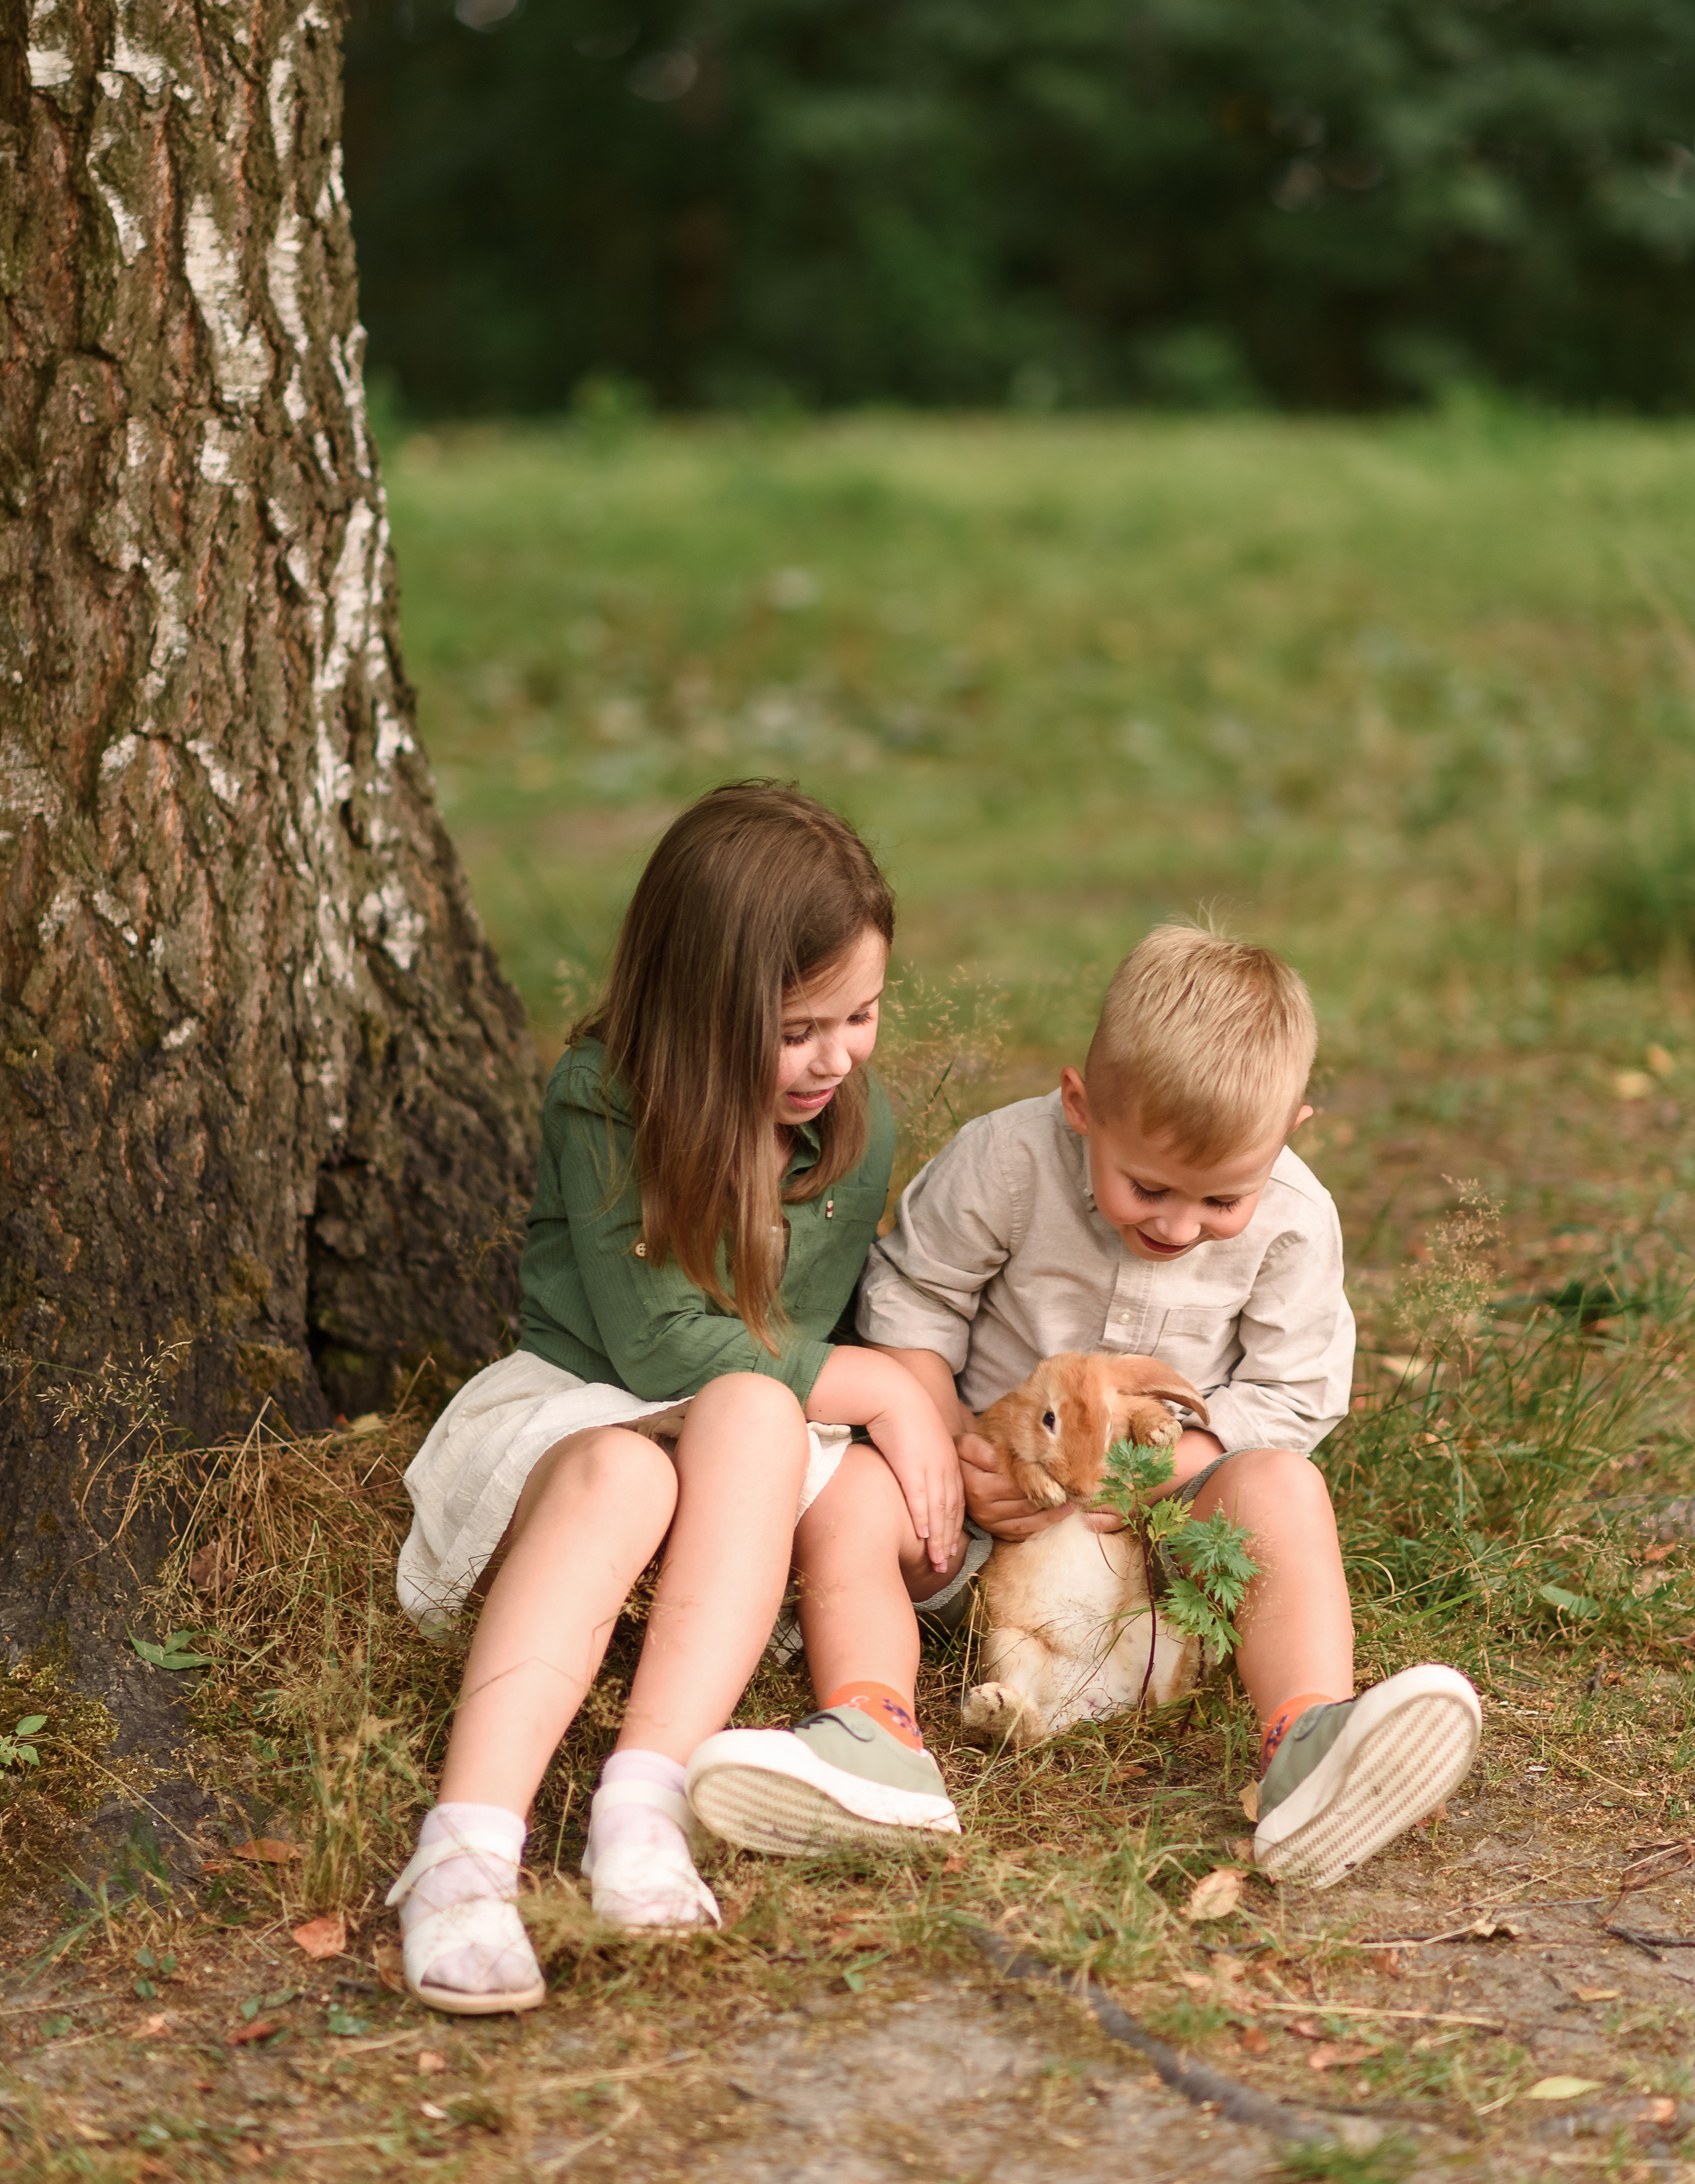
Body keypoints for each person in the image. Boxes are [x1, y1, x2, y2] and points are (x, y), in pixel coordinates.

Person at [387, 783, 970, 2016]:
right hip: (580, 1402)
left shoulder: (857, 1134)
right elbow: (654, 1347)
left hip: (750, 1430)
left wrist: (912, 1408)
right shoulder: (606, 1098)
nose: (836, 1057)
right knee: (629, 1469)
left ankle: (643, 1801)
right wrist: (878, 1387)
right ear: (697, 1008)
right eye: (798, 1026)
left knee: (765, 1415)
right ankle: (466, 1848)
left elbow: (783, 1353)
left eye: (860, 1014)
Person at [851, 924, 1482, 1891]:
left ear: (1290, 1133)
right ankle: (869, 1736)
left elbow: (1294, 1389)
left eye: (1221, 1200)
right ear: (1081, 1104)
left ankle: (1307, 1740)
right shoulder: (1006, 1161)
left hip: (1161, 1541)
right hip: (982, 1515)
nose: (1180, 1225)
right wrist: (951, 1449)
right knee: (854, 1494)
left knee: (1281, 1485)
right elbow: (911, 1295)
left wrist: (1165, 1475)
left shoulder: (1295, 1220)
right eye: (1145, 1186)